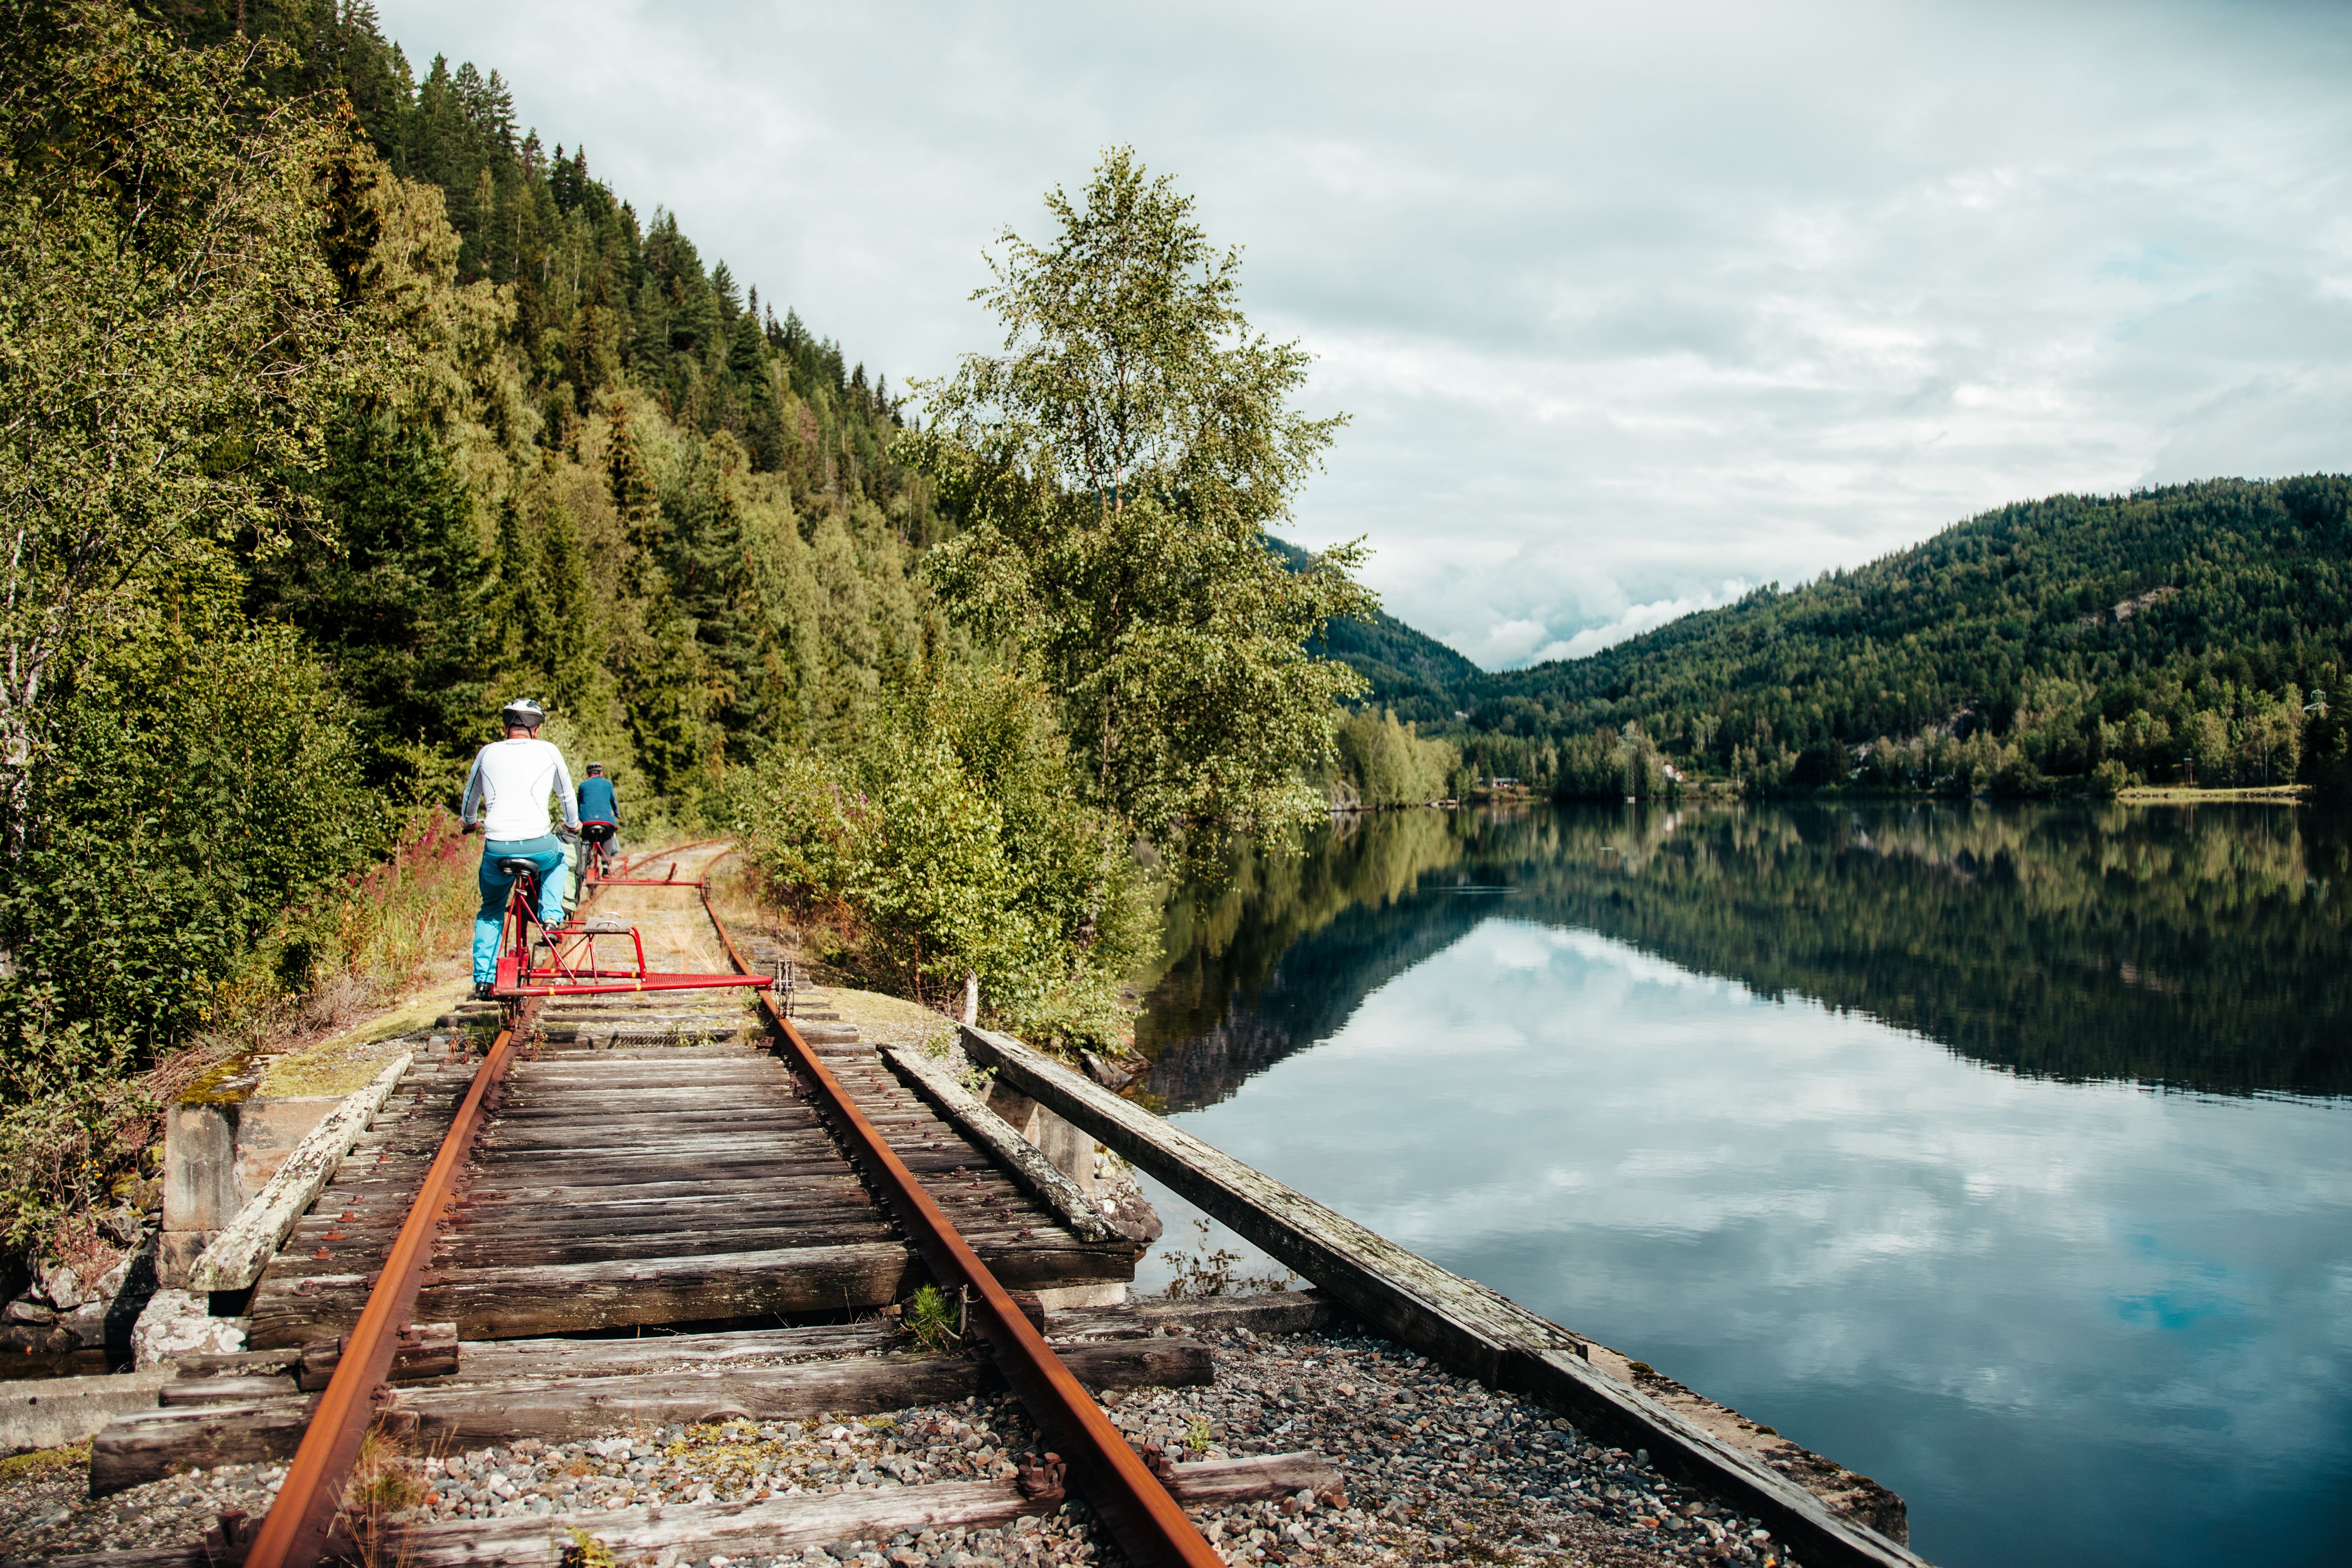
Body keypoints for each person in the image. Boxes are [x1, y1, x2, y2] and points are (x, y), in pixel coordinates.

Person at [461, 698, 581, 999]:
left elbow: (469, 798)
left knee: (490, 909)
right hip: (539, 844)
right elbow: (566, 794)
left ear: (506, 728)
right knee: (558, 862)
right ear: (536, 730)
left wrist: (470, 823)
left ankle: (484, 980)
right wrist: (572, 824)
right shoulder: (548, 750)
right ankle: (551, 918)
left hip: (498, 847)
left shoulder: (487, 752)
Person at [576, 762, 622, 875]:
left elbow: (578, 802)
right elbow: (613, 801)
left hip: (587, 822)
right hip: (606, 821)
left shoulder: (583, 785)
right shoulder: (608, 784)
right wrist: (616, 813)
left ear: (588, 774)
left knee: (586, 839)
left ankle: (585, 864)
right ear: (601, 773)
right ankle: (606, 867)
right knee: (608, 838)